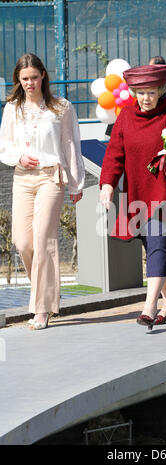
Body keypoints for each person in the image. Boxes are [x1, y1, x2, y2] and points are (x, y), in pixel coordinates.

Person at [99, 64, 166, 330]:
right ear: (134, 92)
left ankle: (149, 306)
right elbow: (114, 154)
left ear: (161, 90)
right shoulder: (126, 117)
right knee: (155, 247)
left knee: (157, 242)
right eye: (141, 92)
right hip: (137, 193)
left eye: (152, 92)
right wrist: (107, 184)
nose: (146, 98)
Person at [0, 53, 85, 330]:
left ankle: (42, 308)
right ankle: (46, 292)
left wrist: (76, 183)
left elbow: (71, 145)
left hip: (52, 177)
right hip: (23, 177)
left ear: (43, 76)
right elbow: (5, 145)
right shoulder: (12, 108)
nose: (29, 83)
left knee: (43, 239)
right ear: (18, 80)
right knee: (23, 243)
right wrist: (20, 157)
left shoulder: (61, 107)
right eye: (24, 79)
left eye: (34, 77)